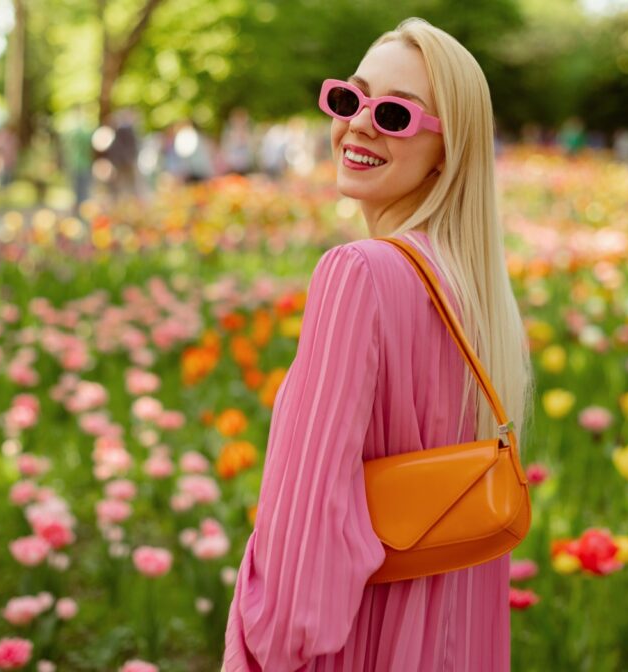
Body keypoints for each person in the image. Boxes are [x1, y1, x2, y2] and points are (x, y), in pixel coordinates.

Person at [223, 18, 531, 671]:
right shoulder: (477, 295)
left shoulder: (357, 273)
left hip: (363, 644)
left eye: (393, 113)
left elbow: (300, 568)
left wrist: (263, 643)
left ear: (448, 151)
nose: (359, 123)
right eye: (348, 99)